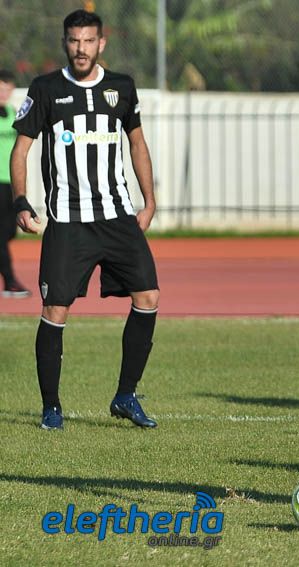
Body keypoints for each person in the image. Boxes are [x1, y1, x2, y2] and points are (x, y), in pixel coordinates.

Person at [11, 10, 159, 430]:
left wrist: (149, 202)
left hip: (117, 216)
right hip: (68, 221)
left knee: (148, 297)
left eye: (88, 41)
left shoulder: (122, 87)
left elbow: (137, 145)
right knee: (55, 308)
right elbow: (21, 150)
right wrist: (21, 200)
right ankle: (51, 408)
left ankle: (126, 395)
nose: (81, 48)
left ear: (101, 44)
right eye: (74, 40)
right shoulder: (45, 89)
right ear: (65, 43)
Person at [0, 69, 30, 297]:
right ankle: (10, 281)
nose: (3, 92)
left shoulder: (13, 113)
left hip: (10, 182)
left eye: (7, 88)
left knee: (10, 231)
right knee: (1, 234)